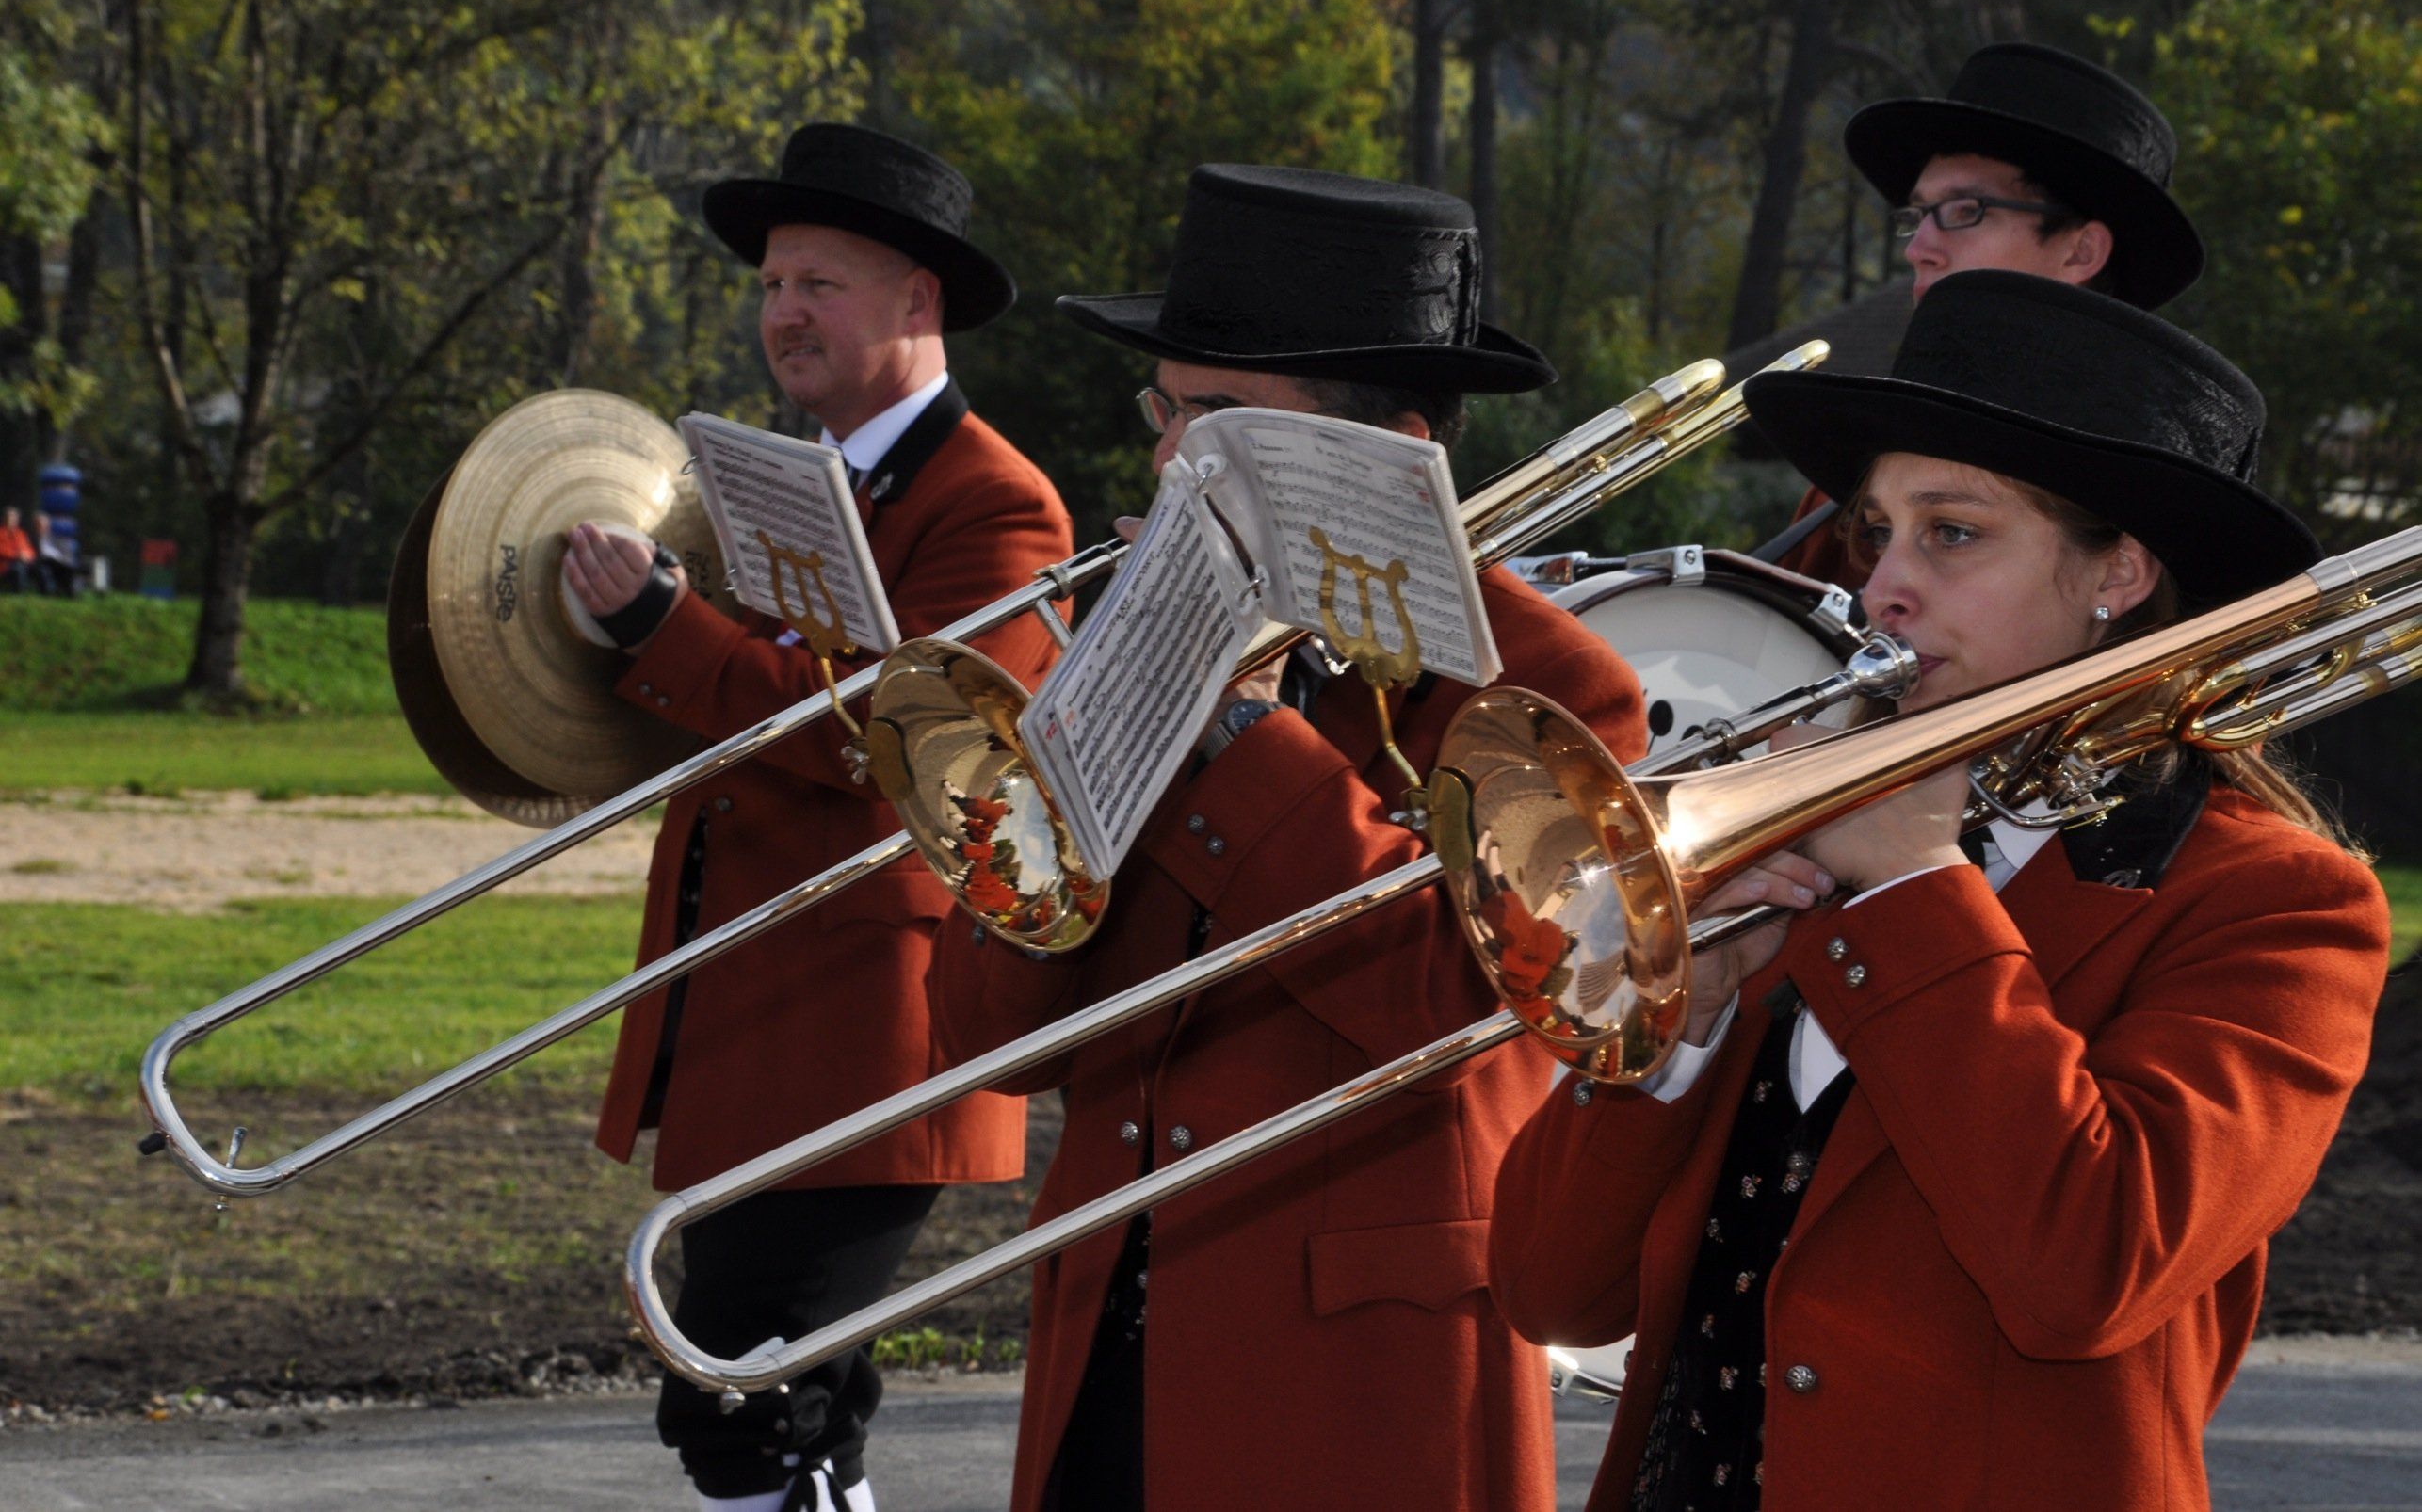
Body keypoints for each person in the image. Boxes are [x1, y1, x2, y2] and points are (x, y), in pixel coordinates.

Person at [1491, 269, 2388, 1510]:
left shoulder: (2280, 905)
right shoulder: (1796, 834)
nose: (1881, 587)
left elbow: (2087, 1270)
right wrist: (1675, 1021)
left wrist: (1914, 881)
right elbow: (1550, 1291)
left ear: (2119, 573)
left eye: (1951, 533)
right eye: (1878, 532)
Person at [926, 164, 1654, 1512]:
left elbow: (1457, 1008)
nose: (1167, 461)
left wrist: (1243, 735)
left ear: (1388, 455)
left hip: (1360, 1386)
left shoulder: (1550, 690)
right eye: (1166, 412)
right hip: (1110, 1335)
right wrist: (1084, 754)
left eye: (1218, 422)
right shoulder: (1151, 638)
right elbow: (987, 1035)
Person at [565, 123, 1074, 1512]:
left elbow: (892, 741)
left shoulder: (997, 505)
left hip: (865, 1021)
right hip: (753, 999)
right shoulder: (797, 476)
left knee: (742, 1392)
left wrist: (663, 624)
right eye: (773, 285)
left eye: (820, 285)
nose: (784, 312)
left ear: (918, 299)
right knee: (786, 1401)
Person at [1768, 41, 2204, 587]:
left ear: (2081, 252)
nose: (1918, 248)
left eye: (1964, 210)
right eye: (1917, 215)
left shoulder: (2154, 506)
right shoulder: (1850, 487)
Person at [0, 508, 33, 593]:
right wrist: (16, 555)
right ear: (4, 519)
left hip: (23, 561)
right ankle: (20, 592)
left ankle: (48, 591)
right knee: (18, 568)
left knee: (40, 568)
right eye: (10, 518)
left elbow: (29, 548)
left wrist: (28, 555)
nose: (13, 520)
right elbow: (2, 550)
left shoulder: (21, 533)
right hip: (5, 563)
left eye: (15, 519)